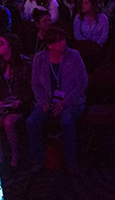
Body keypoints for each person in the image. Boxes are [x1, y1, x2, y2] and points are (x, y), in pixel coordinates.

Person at [27, 27, 88, 174]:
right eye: (58, 41)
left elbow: (82, 82)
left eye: (63, 39)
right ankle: (38, 159)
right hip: (47, 101)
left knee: (66, 120)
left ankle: (71, 161)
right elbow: (35, 84)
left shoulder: (74, 56)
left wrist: (65, 102)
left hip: (70, 101)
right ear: (50, 45)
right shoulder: (39, 59)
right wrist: (43, 101)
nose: (63, 43)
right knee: (31, 121)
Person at [0, 33, 33, 167]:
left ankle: (15, 154)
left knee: (9, 122)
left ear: (11, 46)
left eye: (2, 43)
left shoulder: (25, 64)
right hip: (3, 104)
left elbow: (31, 88)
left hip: (20, 104)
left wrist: (21, 100)